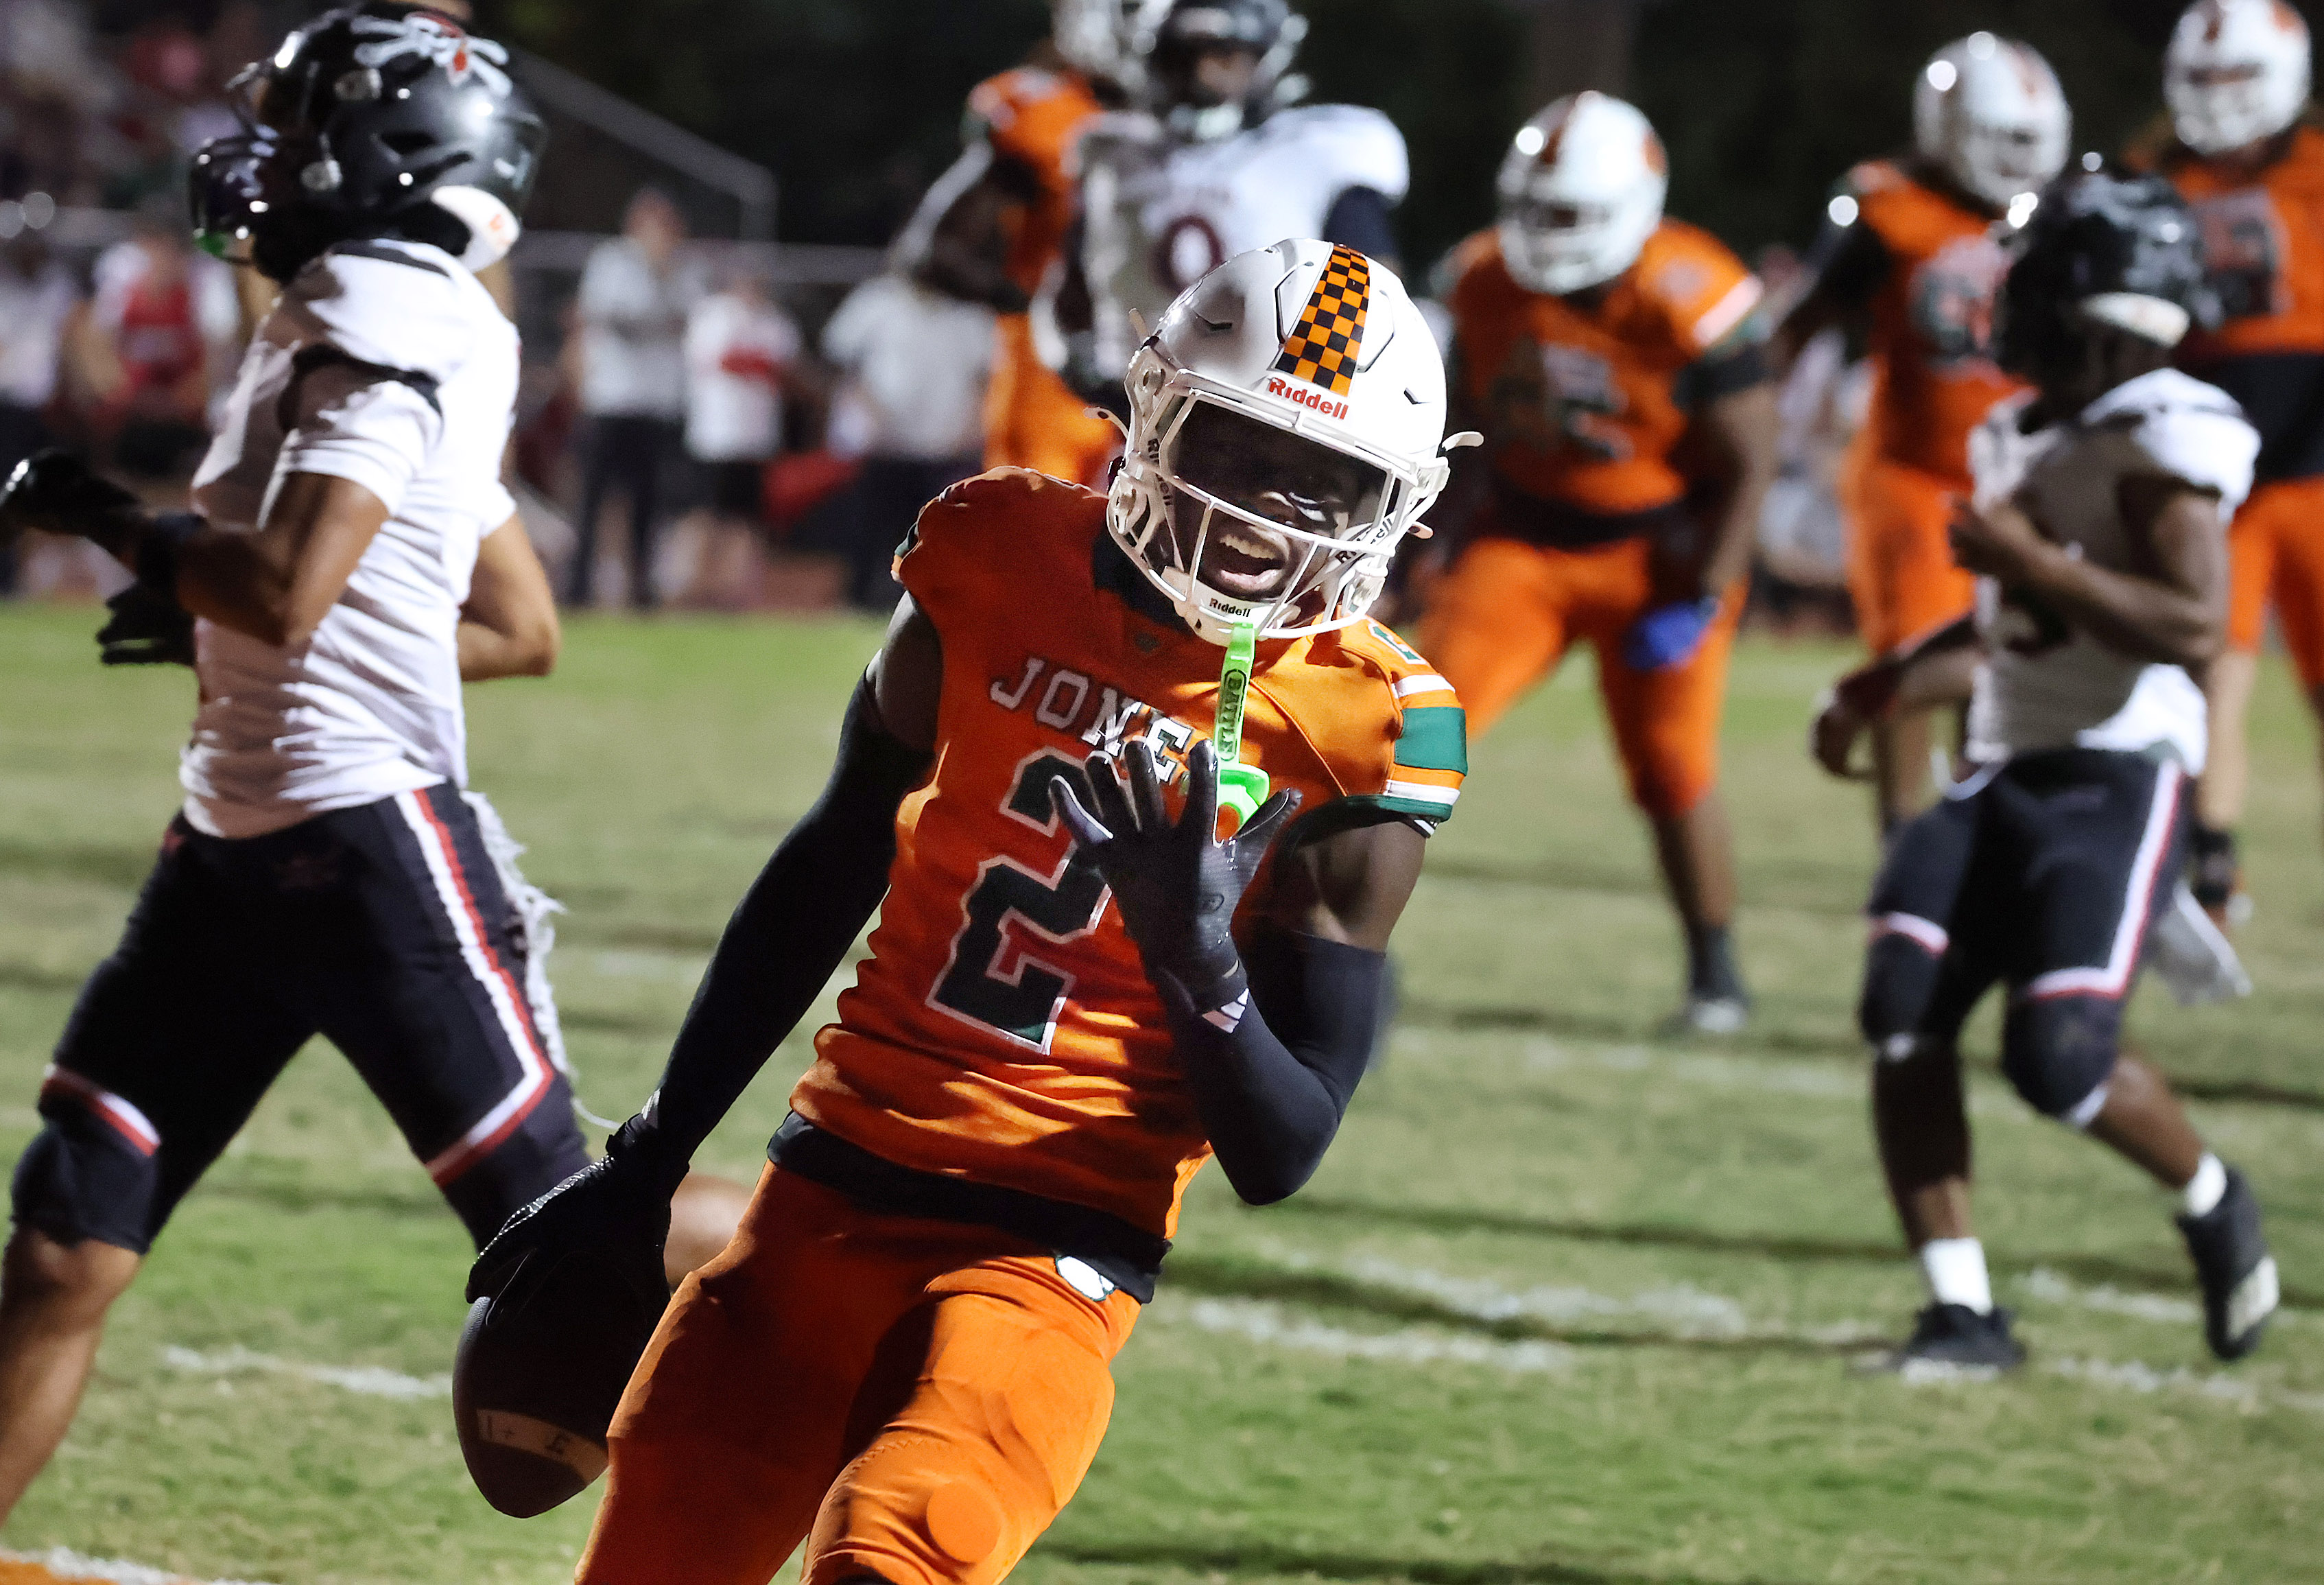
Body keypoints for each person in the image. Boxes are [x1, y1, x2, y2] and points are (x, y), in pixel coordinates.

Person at [464, 239, 1472, 1581]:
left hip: (1053, 1250)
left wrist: (1194, 958)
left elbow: (1281, 1150)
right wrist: (652, 1152)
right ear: (1158, 418)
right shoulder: (996, 550)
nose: (1265, 513)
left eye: (1324, 481)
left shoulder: (1369, 724)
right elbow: (832, 856)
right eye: (1240, 449)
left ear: (1390, 502)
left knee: (900, 1554)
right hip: (824, 1186)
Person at [0, 3, 735, 1525]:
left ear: (386, 154)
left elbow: (283, 586)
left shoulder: (381, 310)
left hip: (361, 852)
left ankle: (869, 1256)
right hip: (231, 846)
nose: (261, 161)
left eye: (297, 133)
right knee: (67, 1240)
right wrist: (212, 617)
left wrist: (107, 517)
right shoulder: (381, 307)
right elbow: (514, 624)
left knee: (562, 1231)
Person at [1810, 170, 2278, 1371]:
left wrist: (2031, 558)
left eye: (2032, 281)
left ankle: (2213, 1196)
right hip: (2002, 764)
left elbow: (2192, 622)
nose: (2005, 301)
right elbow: (2010, 626)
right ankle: (1961, 1312)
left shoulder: (2167, 428)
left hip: (2115, 777)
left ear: (2106, 308)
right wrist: (1882, 684)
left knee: (2057, 1058)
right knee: (1899, 1011)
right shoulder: (2022, 428)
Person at [1418, 92, 1780, 1035]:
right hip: (1522, 541)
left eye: (1569, 213)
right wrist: (1433, 536)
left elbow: (1750, 460)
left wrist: (1706, 591)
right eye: (1533, 209)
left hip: (1658, 556)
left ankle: (1716, 975)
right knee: (1406, 736)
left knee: (1671, 767)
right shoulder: (1482, 277)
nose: (1545, 234)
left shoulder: (1691, 292)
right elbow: (1460, 420)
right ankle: (1337, 941)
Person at [1775, 34, 2069, 838]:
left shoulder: (2063, 213)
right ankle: (1904, 841)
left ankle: (1988, 835)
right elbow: (1803, 322)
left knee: (2013, 668)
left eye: (2029, 142)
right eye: (2000, 138)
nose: (2016, 160)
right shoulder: (1887, 206)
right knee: (1910, 659)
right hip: (1914, 472)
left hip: (2027, 476)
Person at [2139, 0, 2324, 924]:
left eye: (2236, 77)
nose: (2218, 97)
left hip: (2317, 467)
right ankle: (2211, 866)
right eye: (2203, 79)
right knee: (2213, 673)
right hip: (2217, 473)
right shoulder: (2155, 176)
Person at [1048, 0, 1408, 416]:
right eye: (1184, 55)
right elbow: (1070, 297)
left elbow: (1378, 307)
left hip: (1270, 409)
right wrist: (1084, 366)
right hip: (1134, 405)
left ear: (1264, 57)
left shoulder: (1320, 149)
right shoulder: (1111, 154)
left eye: (1223, 53)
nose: (1202, 74)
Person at [912, 0, 1143, 487]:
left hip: (1168, 379)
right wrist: (1042, 311)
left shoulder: (1221, 133)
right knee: (1042, 525)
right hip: (1057, 390)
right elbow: (932, 251)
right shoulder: (1048, 114)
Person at [819, 266, 995, 611]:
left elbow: (984, 380)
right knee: (873, 528)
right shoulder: (878, 301)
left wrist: (971, 428)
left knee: (932, 532)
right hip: (885, 444)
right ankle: (860, 599)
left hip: (942, 446)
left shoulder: (967, 314)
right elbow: (843, 364)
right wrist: (866, 414)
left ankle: (923, 604)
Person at [567, 188, 702, 609]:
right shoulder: (611, 261)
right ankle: (578, 587)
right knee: (593, 499)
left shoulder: (685, 268)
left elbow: (691, 319)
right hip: (610, 399)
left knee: (650, 500)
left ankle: (641, 587)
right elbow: (611, 317)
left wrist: (662, 276)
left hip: (658, 402)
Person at [678, 268, 803, 607]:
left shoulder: (775, 322)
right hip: (715, 437)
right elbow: (718, 361)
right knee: (705, 515)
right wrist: (758, 364)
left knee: (747, 519)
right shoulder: (713, 316)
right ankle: (695, 587)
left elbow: (787, 370)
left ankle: (736, 590)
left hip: (756, 438)